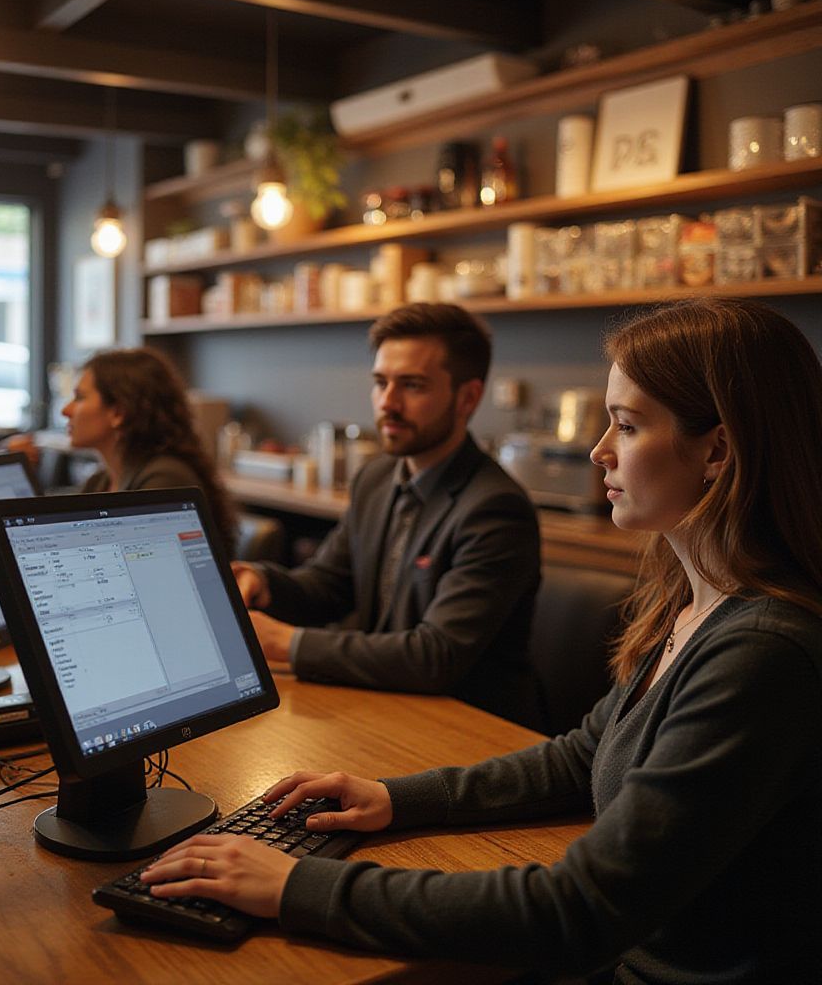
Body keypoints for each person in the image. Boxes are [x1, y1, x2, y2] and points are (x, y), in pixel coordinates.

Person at [142, 298, 822, 984]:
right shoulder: (687, 600)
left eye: (627, 425)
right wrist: (394, 797)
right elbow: (583, 755)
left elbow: (577, 909)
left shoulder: (760, 653)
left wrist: (294, 888)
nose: (598, 451)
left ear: (719, 450)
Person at [231, 303, 541, 727]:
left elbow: (436, 656)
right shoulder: (376, 478)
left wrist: (286, 643)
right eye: (380, 383)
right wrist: (263, 582)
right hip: (386, 704)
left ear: (467, 397)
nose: (387, 403)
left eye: (412, 386)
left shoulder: (496, 509)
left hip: (469, 729)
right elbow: (328, 584)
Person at [62, 347, 237, 554]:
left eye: (80, 398)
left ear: (118, 412)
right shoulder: (100, 482)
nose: (65, 410)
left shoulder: (165, 480)